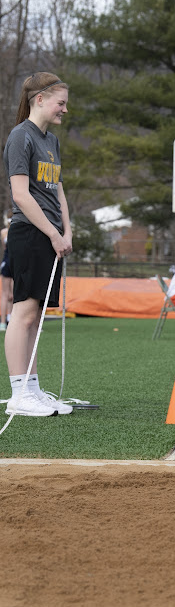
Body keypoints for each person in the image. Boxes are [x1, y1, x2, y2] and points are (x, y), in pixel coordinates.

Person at [2, 72, 73, 416]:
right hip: (30, 234)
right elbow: (21, 195)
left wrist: (67, 231)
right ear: (40, 99)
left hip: (49, 236)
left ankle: (31, 389)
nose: (65, 110)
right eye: (61, 103)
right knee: (24, 313)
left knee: (35, 317)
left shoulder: (51, 141)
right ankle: (19, 394)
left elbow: (57, 190)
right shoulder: (20, 136)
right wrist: (53, 233)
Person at [0, 218, 13, 332]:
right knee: (10, 294)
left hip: (7, 262)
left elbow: (5, 247)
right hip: (14, 262)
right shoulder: (17, 230)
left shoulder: (4, 232)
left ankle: (5, 322)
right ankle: (6, 321)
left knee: (6, 294)